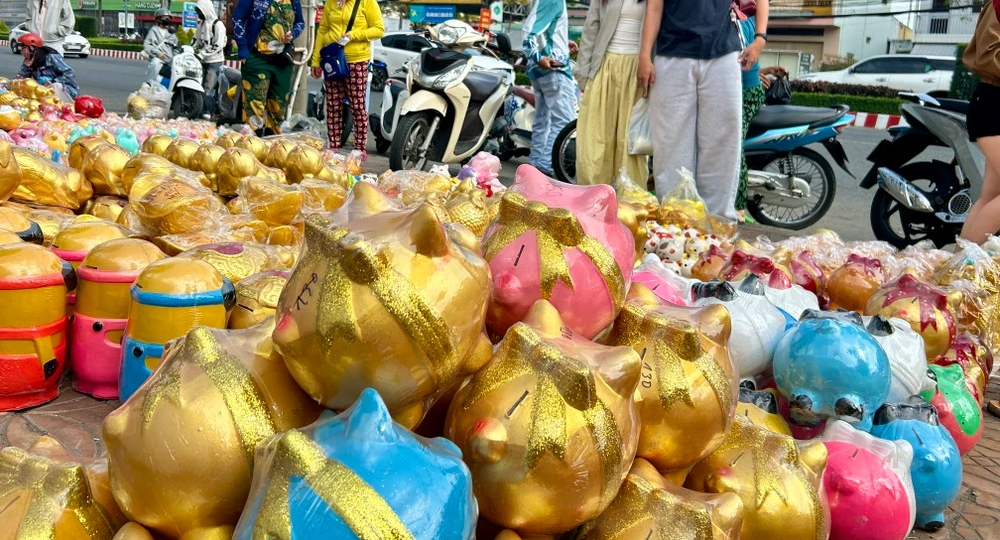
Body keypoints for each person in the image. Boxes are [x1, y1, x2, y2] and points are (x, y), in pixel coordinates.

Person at [639, 0, 765, 221]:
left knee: (722, 145)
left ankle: (718, 224)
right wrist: (644, 55)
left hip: (724, 54)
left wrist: (760, 39)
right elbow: (655, 5)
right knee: (670, 145)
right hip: (671, 53)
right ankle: (674, 221)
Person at [574, 0, 649, 187]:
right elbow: (591, 30)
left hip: (637, 72)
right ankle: (593, 204)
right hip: (604, 67)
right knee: (594, 144)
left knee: (630, 147)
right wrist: (583, 74)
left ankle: (629, 208)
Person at [311, 0, 384, 155]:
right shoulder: (331, 2)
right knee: (333, 104)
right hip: (332, 58)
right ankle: (334, 145)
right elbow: (322, 30)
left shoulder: (367, 2)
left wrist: (353, 35)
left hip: (356, 60)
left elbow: (378, 30)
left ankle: (359, 148)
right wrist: (316, 60)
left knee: (357, 105)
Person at [232, 0, 305, 135]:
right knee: (255, 106)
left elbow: (300, 23)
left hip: (283, 61)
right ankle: (253, 146)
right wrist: (242, 47)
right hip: (257, 58)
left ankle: (275, 147)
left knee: (278, 108)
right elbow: (237, 18)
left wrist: (293, 33)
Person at [523, 0, 575, 177]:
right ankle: (544, 166)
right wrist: (538, 57)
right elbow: (528, 33)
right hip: (554, 70)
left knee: (542, 120)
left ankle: (536, 165)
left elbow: (542, 29)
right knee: (564, 121)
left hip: (542, 70)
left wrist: (562, 43)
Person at [735, 2, 769, 222]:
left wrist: (760, 39)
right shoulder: (736, 21)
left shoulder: (741, 22)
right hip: (743, 86)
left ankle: (738, 206)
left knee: (733, 145)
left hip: (746, 92)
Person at [16, 33, 79, 101]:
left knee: (56, 86)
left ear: (32, 48)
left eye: (23, 47)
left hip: (64, 89)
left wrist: (53, 81)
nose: (21, 50)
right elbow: (21, 77)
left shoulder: (51, 56)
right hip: (44, 90)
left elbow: (69, 73)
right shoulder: (29, 61)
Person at [194, 0, 228, 119]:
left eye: (200, 11)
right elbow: (196, 41)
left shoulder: (218, 25)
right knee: (199, 85)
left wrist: (202, 54)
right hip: (203, 61)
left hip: (214, 62)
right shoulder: (201, 24)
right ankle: (200, 109)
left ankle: (207, 111)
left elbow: (218, 45)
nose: (199, 13)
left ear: (206, 9)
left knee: (209, 87)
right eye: (198, 11)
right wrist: (188, 49)